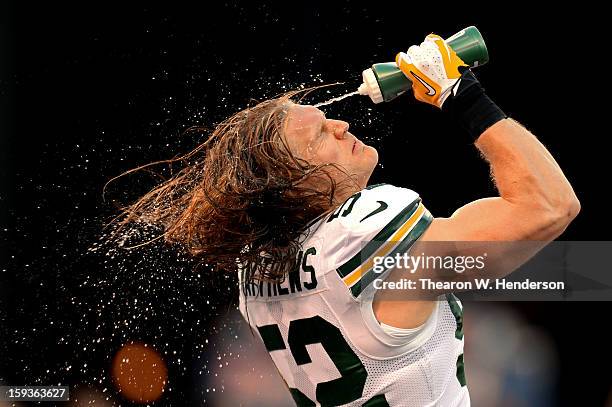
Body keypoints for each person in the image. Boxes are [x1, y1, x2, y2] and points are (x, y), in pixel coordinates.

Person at [117, 33, 579, 406]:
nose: (340, 126)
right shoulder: (364, 234)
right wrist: (462, 96)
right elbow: (550, 206)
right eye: (319, 136)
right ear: (293, 187)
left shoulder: (255, 271)